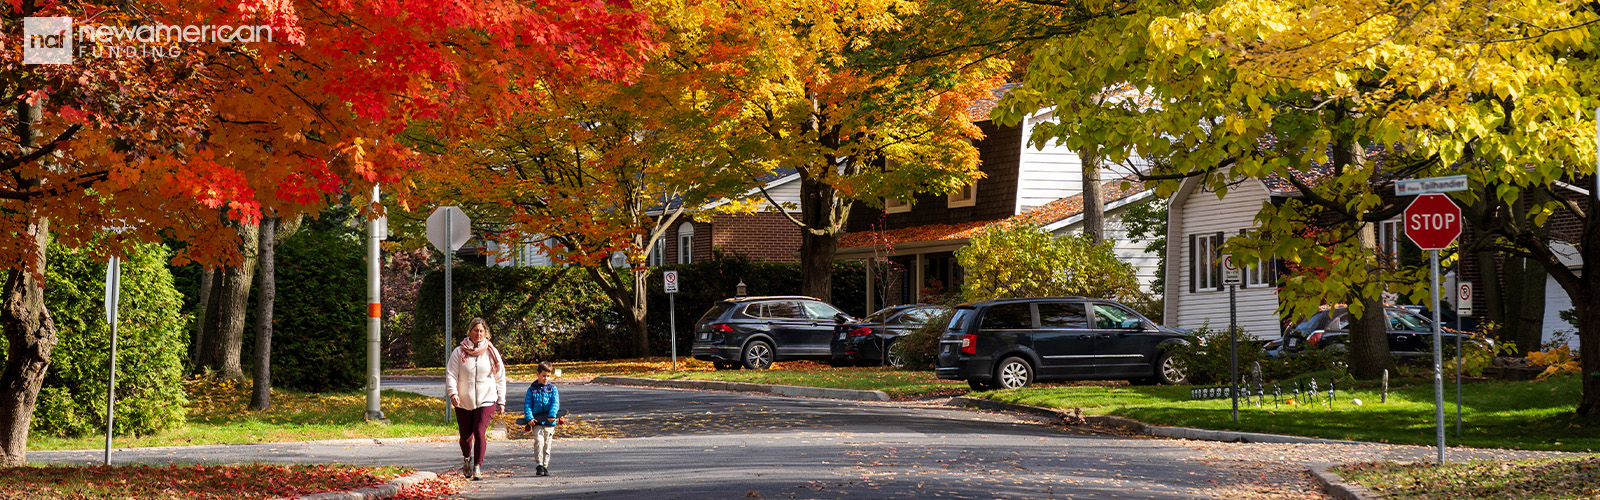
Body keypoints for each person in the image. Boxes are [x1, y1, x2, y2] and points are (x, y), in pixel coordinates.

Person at [445, 317, 507, 481]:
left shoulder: (491, 352)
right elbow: (451, 374)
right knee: (465, 437)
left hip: (487, 398)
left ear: (485, 333)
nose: (478, 333)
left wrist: (501, 400)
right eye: (475, 330)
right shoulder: (459, 352)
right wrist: (453, 394)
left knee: (480, 432)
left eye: (481, 331)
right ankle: (467, 458)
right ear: (470, 332)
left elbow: (500, 378)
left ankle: (478, 466)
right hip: (464, 400)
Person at [522, 361, 561, 477]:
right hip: (537, 422)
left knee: (547, 444)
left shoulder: (553, 389)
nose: (545, 378)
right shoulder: (532, 390)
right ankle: (539, 464)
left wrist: (552, 414)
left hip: (549, 422)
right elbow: (527, 405)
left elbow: (555, 403)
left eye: (548, 376)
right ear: (537, 374)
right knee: (539, 441)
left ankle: (545, 465)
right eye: (543, 375)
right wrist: (529, 418)